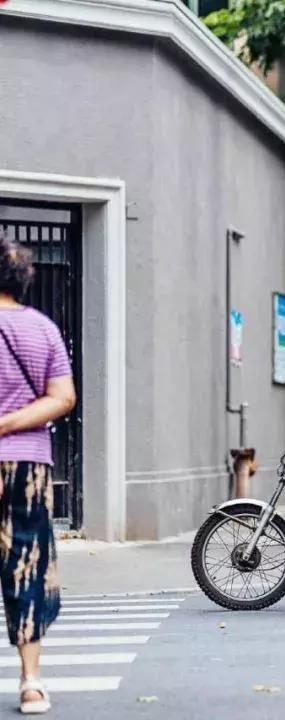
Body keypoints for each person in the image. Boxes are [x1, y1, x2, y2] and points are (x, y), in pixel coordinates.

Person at [0, 235, 77, 715]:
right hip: (29, 462)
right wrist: (7, 424)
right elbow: (63, 397)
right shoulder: (43, 329)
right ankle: (31, 682)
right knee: (27, 562)